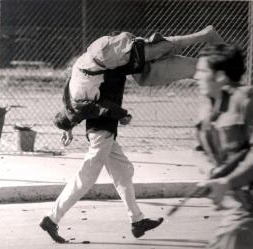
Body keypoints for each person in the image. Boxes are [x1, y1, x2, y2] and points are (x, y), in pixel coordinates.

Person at [39, 32, 163, 244]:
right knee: (86, 176)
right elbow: (99, 106)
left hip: (104, 130)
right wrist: (123, 114)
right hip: (101, 130)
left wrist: (68, 127)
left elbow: (74, 100)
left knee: (123, 172)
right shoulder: (107, 70)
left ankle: (137, 221)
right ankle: (52, 218)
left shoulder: (80, 78)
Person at [192, 43, 253, 249]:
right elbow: (199, 150)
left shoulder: (246, 102)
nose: (196, 76)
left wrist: (227, 181)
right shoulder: (206, 107)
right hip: (231, 207)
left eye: (202, 71)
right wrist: (212, 172)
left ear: (220, 76)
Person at [53, 25, 223, 138]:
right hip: (102, 57)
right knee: (145, 75)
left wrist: (122, 115)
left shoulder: (77, 107)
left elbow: (102, 107)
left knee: (156, 49)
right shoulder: (69, 97)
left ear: (74, 119)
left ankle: (206, 34)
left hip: (106, 56)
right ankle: (199, 65)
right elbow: (71, 107)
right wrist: (68, 127)